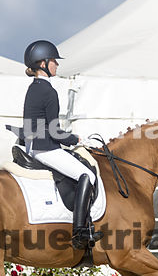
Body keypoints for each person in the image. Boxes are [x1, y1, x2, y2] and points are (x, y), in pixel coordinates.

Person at [22, 40, 103, 251]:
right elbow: (54, 131)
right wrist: (77, 140)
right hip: (45, 148)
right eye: (54, 61)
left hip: (34, 144)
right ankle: (80, 232)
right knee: (88, 175)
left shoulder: (34, 87)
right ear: (43, 63)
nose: (57, 65)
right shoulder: (48, 91)